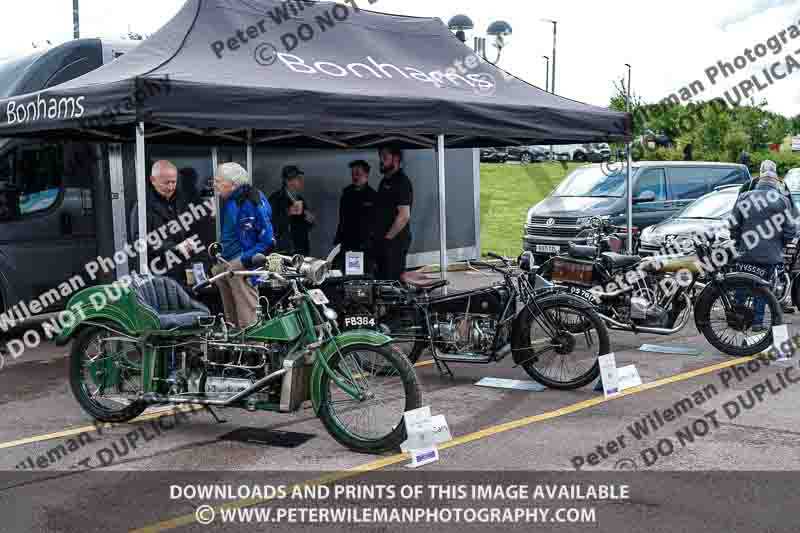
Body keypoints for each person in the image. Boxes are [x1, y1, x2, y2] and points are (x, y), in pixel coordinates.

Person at [730, 160, 798, 331]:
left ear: (759, 180)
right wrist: (780, 245)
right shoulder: (782, 201)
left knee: (742, 285)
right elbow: (790, 230)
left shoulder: (744, 197)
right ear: (775, 182)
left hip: (746, 253)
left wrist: (739, 242)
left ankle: (739, 318)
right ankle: (758, 322)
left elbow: (733, 225)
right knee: (763, 288)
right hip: (770, 255)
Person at [212, 163, 274, 328]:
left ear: (233, 184)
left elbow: (268, 240)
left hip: (241, 265)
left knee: (248, 320)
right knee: (231, 321)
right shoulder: (233, 200)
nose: (215, 185)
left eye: (218, 181)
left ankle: (254, 351)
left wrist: (244, 261)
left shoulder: (252, 200)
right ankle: (235, 350)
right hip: (228, 264)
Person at [130, 160, 200, 283]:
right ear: (153, 180)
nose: (171, 187)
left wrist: (189, 243)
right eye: (166, 183)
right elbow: (139, 242)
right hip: (158, 271)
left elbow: (188, 229)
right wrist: (175, 247)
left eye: (174, 182)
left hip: (182, 269)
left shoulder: (180, 201)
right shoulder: (143, 207)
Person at [372, 146, 413, 281]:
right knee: (381, 279)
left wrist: (388, 239)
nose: (381, 161)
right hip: (382, 240)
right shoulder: (384, 181)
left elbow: (404, 215)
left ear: (396, 159)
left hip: (395, 242)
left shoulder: (402, 182)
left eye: (385, 157)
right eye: (380, 157)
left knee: (392, 281)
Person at [334, 160, 378, 273]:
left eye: (358, 173)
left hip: (366, 246)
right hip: (349, 244)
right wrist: (339, 238)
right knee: (352, 274)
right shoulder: (347, 193)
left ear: (366, 174)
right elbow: (342, 218)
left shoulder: (373, 196)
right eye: (353, 173)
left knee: (365, 276)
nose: (355, 176)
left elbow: (376, 223)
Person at [268, 165, 314, 256]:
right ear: (289, 181)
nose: (301, 181)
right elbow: (271, 224)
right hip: (284, 250)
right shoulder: (276, 198)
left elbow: (305, 227)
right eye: (298, 178)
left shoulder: (299, 199)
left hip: (300, 249)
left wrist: (309, 219)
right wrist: (288, 212)